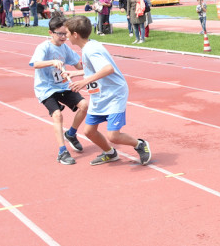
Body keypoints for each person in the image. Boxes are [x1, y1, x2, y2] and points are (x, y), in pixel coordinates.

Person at [64, 16, 152, 166]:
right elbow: (94, 69)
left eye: (66, 33)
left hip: (114, 94)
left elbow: (108, 69)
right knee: (89, 132)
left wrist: (84, 81)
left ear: (75, 35)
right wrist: (77, 73)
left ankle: (139, 144)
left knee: (113, 135)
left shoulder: (91, 50)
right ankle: (110, 153)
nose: (65, 36)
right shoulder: (89, 46)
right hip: (100, 95)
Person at [29, 16, 88, 165]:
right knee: (57, 115)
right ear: (51, 32)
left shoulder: (65, 48)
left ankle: (71, 134)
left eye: (65, 33)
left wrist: (92, 68)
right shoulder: (44, 47)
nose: (63, 37)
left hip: (62, 86)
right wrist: (52, 62)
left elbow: (78, 65)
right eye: (60, 34)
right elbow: (35, 64)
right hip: (46, 89)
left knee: (84, 106)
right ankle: (62, 151)